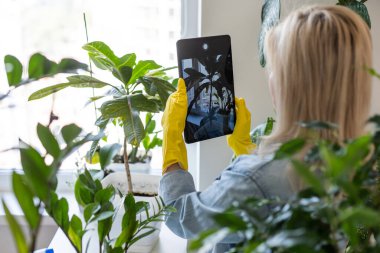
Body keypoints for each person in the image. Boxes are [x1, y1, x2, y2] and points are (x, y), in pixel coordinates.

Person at [159, 5, 372, 253]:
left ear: (291, 87)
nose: (270, 77)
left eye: (275, 69)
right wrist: (246, 151)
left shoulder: (255, 180)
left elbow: (182, 217)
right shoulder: (355, 167)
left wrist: (171, 144)